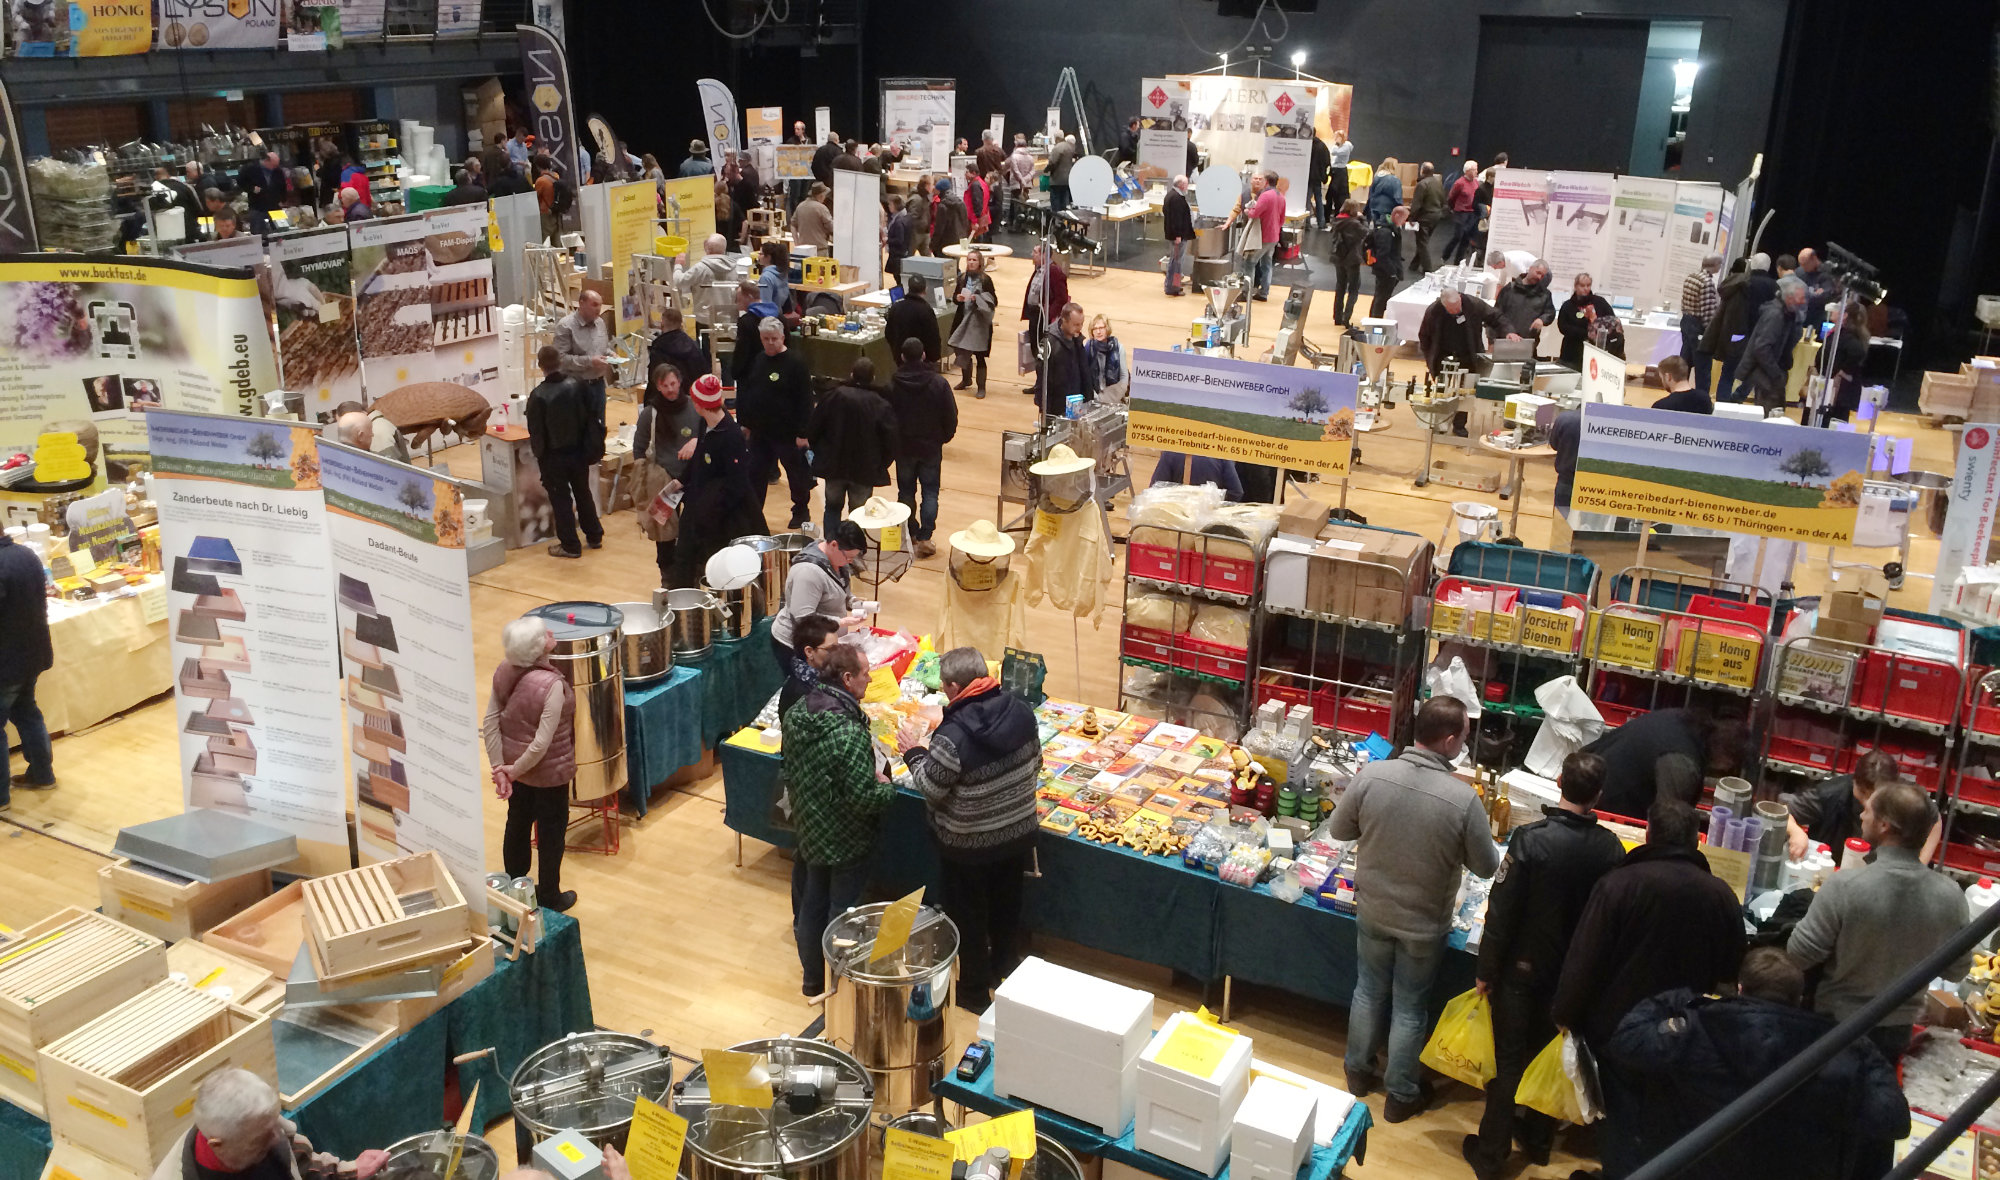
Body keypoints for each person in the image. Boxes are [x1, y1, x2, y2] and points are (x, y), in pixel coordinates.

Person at [1329, 697, 1500, 1122]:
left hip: (1373, 911)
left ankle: (1357, 1072)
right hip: (1424, 926)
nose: (1464, 742)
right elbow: (1486, 865)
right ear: (1448, 741)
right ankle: (1401, 1094)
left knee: (1367, 991)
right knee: (1409, 1006)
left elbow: (1338, 829)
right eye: (1463, 735)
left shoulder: (1373, 775)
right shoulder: (1463, 800)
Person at [1601, 948, 1908, 1180]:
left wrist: (1676, 999)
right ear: (1799, 998)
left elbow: (1627, 1040)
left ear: (1740, 988)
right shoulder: (1833, 1052)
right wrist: (1863, 1046)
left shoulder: (1697, 1029)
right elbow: (1893, 1119)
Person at [1463, 752, 1626, 1180]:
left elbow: (1501, 910)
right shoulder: (1610, 848)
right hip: (1572, 975)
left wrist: (1486, 967)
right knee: (1550, 1059)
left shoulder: (1530, 840)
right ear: (1599, 795)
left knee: (1509, 1062)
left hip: (1521, 970)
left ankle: (1491, 1153)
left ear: (1558, 782)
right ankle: (1538, 1139)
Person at [900, 645, 1041, 1013]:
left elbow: (931, 789)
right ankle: (1007, 978)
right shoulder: (1022, 712)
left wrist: (914, 753)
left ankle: (975, 993)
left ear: (950, 686)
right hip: (1017, 834)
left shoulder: (952, 735)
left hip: (967, 845)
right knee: (1007, 910)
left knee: (970, 919)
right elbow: (1036, 762)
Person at [1551, 797, 1747, 1059]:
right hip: (1684, 1036)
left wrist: (1564, 1014)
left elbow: (1585, 958)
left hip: (1616, 1032)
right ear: (1696, 841)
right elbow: (1732, 972)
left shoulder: (1617, 886)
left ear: (1648, 835)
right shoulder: (1722, 895)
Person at [1790, 780, 1971, 1061]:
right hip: (1896, 1032)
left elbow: (1799, 955)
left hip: (1835, 1027)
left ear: (1884, 825)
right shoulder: (1951, 896)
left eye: (1868, 811)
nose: (1862, 815)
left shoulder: (1846, 886)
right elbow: (1956, 972)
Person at [784, 643, 893, 995]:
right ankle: (839, 985)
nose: (870, 678)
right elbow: (863, 798)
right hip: (847, 838)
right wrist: (888, 788)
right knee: (842, 914)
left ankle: (813, 980)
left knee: (812, 904)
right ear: (847, 679)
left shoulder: (798, 712)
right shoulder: (848, 733)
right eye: (864, 673)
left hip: (810, 829)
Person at [486, 616, 582, 910]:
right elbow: (542, 742)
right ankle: (550, 894)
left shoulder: (504, 670)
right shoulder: (552, 685)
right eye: (545, 634)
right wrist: (511, 771)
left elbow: (490, 722)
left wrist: (501, 769)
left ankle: (515, 888)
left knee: (517, 823)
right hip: (548, 776)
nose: (551, 634)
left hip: (517, 772)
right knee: (551, 834)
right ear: (539, 648)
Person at [150, 1068, 388, 1180]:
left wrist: (351, 1171)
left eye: (275, 1124)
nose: (277, 1138)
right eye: (261, 1137)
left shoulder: (263, 1128)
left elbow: (305, 1165)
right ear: (217, 1144)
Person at [677, 375, 764, 586]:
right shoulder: (704, 423)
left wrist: (713, 511)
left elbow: (737, 483)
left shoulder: (731, 436)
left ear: (699, 405)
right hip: (700, 504)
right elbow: (699, 457)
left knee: (716, 567)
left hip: (722, 517)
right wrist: (680, 482)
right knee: (684, 557)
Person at [1583, 706, 1744, 819]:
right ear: (1725, 756)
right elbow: (1667, 821)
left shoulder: (1683, 719)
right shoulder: (1681, 764)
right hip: (1606, 804)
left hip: (1592, 772)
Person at [524, 345, 603, 559]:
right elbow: (591, 416)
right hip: (578, 452)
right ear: (559, 361)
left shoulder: (538, 396)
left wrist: (541, 457)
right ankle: (594, 535)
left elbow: (537, 433)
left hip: (554, 456)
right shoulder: (577, 385)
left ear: (540, 366)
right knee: (583, 492)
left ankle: (570, 545)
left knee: (561, 501)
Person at [739, 317, 816, 530]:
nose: (770, 343)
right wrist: (746, 423)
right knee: (755, 474)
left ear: (782, 337)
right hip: (761, 433)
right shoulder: (758, 361)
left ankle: (801, 510)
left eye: (774, 338)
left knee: (796, 476)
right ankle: (754, 515)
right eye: (765, 339)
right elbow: (749, 393)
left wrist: (803, 433)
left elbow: (806, 400)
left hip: (788, 434)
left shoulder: (796, 363)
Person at [886, 337, 958, 557]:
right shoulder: (939, 383)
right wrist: (943, 438)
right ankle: (926, 536)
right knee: (930, 492)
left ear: (902, 357)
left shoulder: (893, 384)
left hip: (904, 448)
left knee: (905, 491)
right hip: (930, 447)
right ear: (924, 355)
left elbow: (886, 416)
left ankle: (910, 531)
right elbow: (950, 416)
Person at [633, 363, 704, 587]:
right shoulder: (650, 413)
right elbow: (639, 447)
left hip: (692, 479)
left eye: (673, 384)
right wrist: (643, 478)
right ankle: (667, 577)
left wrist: (696, 441)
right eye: (665, 386)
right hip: (663, 481)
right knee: (663, 533)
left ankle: (692, 574)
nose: (671, 389)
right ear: (658, 387)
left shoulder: (695, 408)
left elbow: (709, 434)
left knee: (693, 529)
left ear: (680, 382)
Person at [809, 358, 899, 533]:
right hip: (864, 470)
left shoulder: (832, 396)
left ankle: (830, 547)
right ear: (873, 377)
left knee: (832, 508)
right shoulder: (880, 404)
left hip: (834, 466)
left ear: (851, 374)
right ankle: (853, 551)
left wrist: (821, 453)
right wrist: (881, 464)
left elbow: (814, 428)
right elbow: (891, 441)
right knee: (858, 514)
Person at [0, 524, 55, 806]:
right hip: (32, 654)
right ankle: (42, 775)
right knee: (27, 712)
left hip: (5, 662)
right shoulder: (27, 554)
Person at [774, 521, 867, 677]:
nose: (850, 561)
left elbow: (838, 593)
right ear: (834, 545)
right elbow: (802, 617)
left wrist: (854, 602)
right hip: (796, 645)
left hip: (823, 641)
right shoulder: (808, 573)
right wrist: (839, 622)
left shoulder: (837, 560)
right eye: (849, 557)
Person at [1419, 287, 1500, 438]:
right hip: (1443, 357)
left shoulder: (1473, 304)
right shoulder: (1433, 312)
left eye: (1458, 307)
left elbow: (1496, 317)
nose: (1456, 311)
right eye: (1452, 309)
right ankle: (1440, 422)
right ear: (1443, 305)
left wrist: (1508, 331)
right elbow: (1424, 336)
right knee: (1442, 392)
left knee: (1466, 392)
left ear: (1460, 298)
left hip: (1468, 355)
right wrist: (1430, 359)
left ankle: (1459, 425)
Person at [1704, 254, 1778, 402]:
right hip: (1760, 338)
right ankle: (1738, 397)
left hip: (1736, 335)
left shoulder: (1737, 283)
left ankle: (1722, 405)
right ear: (1769, 267)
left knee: (1727, 373)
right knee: (1754, 372)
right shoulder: (1774, 287)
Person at [552, 289, 613, 459]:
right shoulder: (565, 326)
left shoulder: (600, 323)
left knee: (598, 423)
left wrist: (610, 354)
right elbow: (560, 358)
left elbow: (601, 348)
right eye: (594, 305)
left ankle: (597, 456)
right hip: (576, 387)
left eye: (600, 305)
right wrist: (589, 361)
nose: (598, 309)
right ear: (581, 303)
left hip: (598, 383)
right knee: (578, 426)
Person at [1738, 274, 1808, 411]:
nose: (1803, 301)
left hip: (1770, 374)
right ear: (1789, 298)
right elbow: (1761, 348)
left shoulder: (1786, 314)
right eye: (1801, 298)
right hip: (1767, 376)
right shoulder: (1776, 315)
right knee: (1770, 414)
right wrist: (1776, 374)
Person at [948, 248, 998, 397]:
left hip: (979, 323)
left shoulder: (986, 280)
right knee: (962, 350)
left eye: (974, 260)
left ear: (980, 263)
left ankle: (981, 387)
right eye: (969, 259)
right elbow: (954, 297)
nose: (971, 262)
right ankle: (966, 379)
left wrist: (979, 299)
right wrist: (958, 298)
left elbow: (994, 300)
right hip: (963, 319)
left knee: (980, 355)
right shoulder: (962, 278)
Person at [1236, 170, 1285, 302]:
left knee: (1249, 263)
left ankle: (1246, 293)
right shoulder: (1281, 196)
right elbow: (1282, 219)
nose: (1259, 182)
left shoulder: (1265, 196)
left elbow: (1255, 213)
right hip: (1274, 236)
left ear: (1266, 182)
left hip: (1262, 236)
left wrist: (1247, 210)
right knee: (1267, 264)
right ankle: (1264, 292)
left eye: (1261, 179)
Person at [1040, 302, 1093, 420]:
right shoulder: (1049, 342)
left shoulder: (1077, 339)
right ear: (1064, 320)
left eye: (1081, 324)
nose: (1079, 328)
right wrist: (1046, 413)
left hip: (1077, 402)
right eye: (1075, 324)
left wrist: (1089, 400)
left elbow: (1084, 371)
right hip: (1057, 406)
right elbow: (1043, 380)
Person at [1680, 253, 1724, 393]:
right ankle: (1702, 397)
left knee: (1685, 361)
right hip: (1698, 327)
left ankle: (1680, 391)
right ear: (1715, 265)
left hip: (1686, 321)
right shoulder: (1707, 283)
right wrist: (1712, 334)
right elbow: (1708, 313)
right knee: (1703, 365)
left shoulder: (1691, 277)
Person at [1555, 272, 1616, 370]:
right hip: (1572, 352)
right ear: (1576, 286)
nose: (1586, 288)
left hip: (1594, 351)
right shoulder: (1568, 305)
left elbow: (1612, 321)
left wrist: (1594, 320)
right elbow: (1563, 327)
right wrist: (1585, 333)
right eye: (1582, 285)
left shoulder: (1600, 302)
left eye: (1588, 285)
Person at [1493, 259, 1556, 345]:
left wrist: (1542, 320)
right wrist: (1507, 331)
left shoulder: (1545, 294)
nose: (1539, 277)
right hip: (1506, 340)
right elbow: (1497, 314)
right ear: (1530, 268)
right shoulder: (1509, 289)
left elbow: (1550, 312)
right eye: (1538, 273)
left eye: (1542, 276)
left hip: (1528, 343)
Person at [646, 306, 707, 391]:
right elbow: (703, 373)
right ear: (681, 324)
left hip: (667, 396)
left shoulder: (658, 348)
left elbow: (654, 380)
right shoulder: (693, 346)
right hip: (692, 395)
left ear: (662, 324)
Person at [1328, 199, 1367, 326]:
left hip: (1338, 258)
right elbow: (1365, 232)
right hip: (1352, 259)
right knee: (1354, 289)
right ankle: (1347, 317)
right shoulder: (1354, 224)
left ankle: (1337, 317)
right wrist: (1363, 219)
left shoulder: (1336, 221)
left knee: (1340, 287)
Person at [886, 274, 941, 364]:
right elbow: (933, 337)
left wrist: (897, 353)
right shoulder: (926, 310)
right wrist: (933, 357)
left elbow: (889, 334)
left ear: (908, 288)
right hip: (923, 362)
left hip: (901, 359)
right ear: (925, 290)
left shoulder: (896, 307)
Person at [1365, 205, 1408, 320]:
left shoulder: (1391, 228)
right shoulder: (1385, 232)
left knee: (1381, 298)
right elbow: (1382, 255)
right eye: (1404, 219)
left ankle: (1374, 320)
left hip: (1388, 269)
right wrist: (1392, 272)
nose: (1404, 222)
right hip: (1385, 271)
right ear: (1397, 216)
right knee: (1381, 298)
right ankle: (1375, 322)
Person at [1150, 452, 1242, 500]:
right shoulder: (1221, 455)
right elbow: (1236, 492)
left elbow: (1155, 489)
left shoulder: (1171, 453)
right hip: (1208, 523)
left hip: (1175, 520)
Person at [1408, 162, 1446, 273]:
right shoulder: (1438, 183)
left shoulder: (1422, 184)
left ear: (1422, 171)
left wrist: (1411, 218)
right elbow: (1443, 200)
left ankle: (1427, 269)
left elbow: (1417, 204)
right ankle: (1414, 265)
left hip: (1424, 217)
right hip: (1436, 215)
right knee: (1424, 240)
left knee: (1422, 242)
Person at [237, 150, 290, 227]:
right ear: (266, 161)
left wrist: (283, 199)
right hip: (258, 206)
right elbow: (240, 181)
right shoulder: (250, 168)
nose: (274, 168)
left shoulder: (277, 171)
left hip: (275, 205)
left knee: (281, 229)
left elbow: (282, 186)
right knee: (259, 231)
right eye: (273, 165)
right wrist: (251, 188)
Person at [1646, 355, 1710, 415]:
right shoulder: (1705, 399)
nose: (1662, 381)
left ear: (1668, 377)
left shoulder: (1661, 407)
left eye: (1662, 378)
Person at [1163, 174, 1193, 296]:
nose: (1187, 186)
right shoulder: (1176, 198)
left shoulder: (1171, 195)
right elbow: (1176, 219)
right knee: (1177, 262)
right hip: (1177, 236)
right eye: (1186, 184)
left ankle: (1173, 285)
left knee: (1175, 261)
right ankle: (1173, 287)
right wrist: (1178, 235)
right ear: (1181, 185)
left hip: (1175, 234)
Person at [1445, 161, 1480, 264]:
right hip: (1460, 213)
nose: (1477, 172)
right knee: (1458, 236)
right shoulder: (1459, 183)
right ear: (1468, 171)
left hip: (1471, 213)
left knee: (1466, 238)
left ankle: (1458, 262)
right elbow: (1451, 197)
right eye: (1475, 170)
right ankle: (1445, 255)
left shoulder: (1476, 182)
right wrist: (1453, 208)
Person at [1084, 314, 1124, 398]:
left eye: (1101, 328)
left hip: (1114, 396)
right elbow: (1084, 377)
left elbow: (1124, 377)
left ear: (1107, 329)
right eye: (1095, 329)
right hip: (1093, 397)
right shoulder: (1087, 348)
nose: (1098, 332)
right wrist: (1095, 396)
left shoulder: (1118, 348)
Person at [930, 177, 970, 253]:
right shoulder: (960, 202)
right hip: (959, 240)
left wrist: (932, 245)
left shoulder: (942, 206)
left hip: (945, 242)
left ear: (939, 190)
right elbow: (965, 222)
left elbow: (939, 228)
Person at [793, 183, 833, 249]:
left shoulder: (800, 206)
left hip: (804, 249)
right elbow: (831, 227)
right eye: (824, 195)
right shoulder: (821, 208)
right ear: (821, 196)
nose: (825, 197)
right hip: (819, 249)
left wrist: (797, 244)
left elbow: (792, 225)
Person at [756, 240, 792, 314]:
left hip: (770, 318)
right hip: (779, 313)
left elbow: (765, 304)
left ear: (768, 257)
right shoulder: (783, 273)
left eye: (760, 254)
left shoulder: (766, 278)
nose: (758, 256)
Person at [1046, 134, 1078, 213]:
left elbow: (1052, 162)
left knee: (1056, 204)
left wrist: (1047, 169)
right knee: (1064, 203)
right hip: (1067, 179)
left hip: (1057, 179)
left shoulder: (1058, 147)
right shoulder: (1070, 147)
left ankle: (1057, 221)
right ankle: (1063, 221)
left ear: (1056, 138)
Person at [1365, 157, 1403, 223]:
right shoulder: (1395, 180)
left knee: (1376, 228)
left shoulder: (1376, 177)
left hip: (1374, 207)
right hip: (1388, 210)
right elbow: (1397, 197)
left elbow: (1370, 194)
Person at [884, 195, 913, 280]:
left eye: (890, 204)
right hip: (903, 253)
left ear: (896, 205)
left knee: (898, 279)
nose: (889, 206)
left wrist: (888, 240)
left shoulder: (898, 222)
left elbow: (899, 240)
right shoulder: (905, 217)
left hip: (897, 255)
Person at [1307, 134, 1332, 228]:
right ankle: (1321, 222)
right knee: (1319, 199)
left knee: (1307, 199)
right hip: (1317, 178)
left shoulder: (1308, 145)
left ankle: (1307, 222)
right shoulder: (1322, 146)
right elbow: (1327, 162)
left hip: (1308, 176)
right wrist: (1324, 176)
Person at [1326, 128, 1354, 213]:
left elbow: (1334, 152)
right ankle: (1329, 214)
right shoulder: (1343, 146)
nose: (1335, 139)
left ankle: (1337, 214)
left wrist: (1337, 144)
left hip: (1340, 171)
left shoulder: (1346, 146)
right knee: (1331, 195)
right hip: (1336, 170)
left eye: (1336, 137)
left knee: (1338, 194)